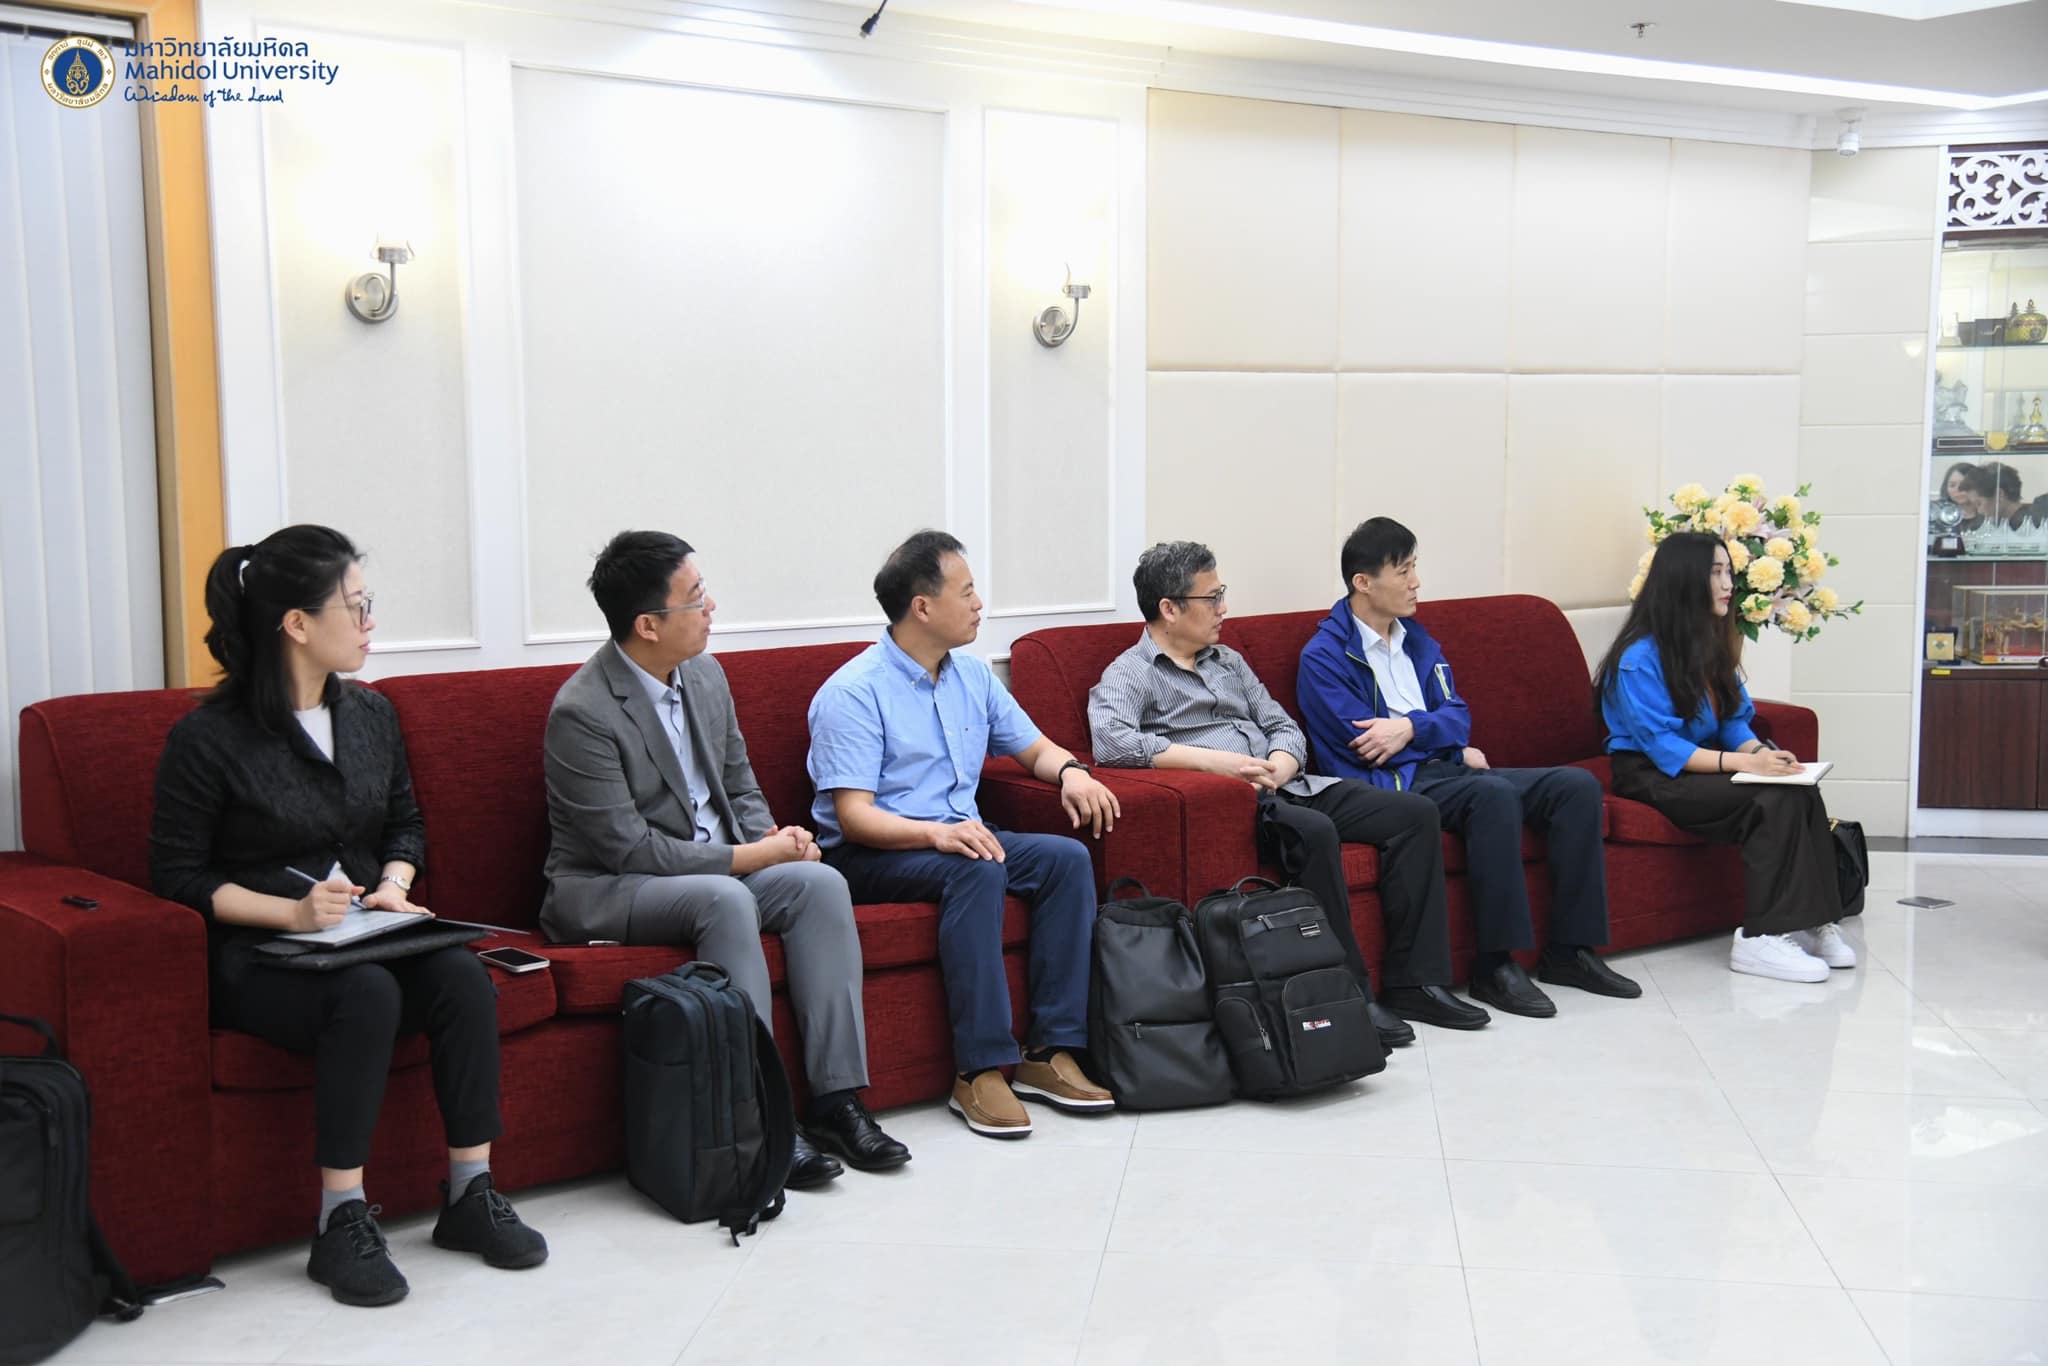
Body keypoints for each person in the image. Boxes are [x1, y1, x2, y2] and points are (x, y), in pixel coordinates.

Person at [150, 526, 546, 1309]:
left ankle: (471, 1193)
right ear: (297, 624)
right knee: (365, 995)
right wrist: (291, 913)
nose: (370, 622)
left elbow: (404, 824)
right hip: (262, 955)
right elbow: (178, 877)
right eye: (356, 606)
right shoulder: (207, 738)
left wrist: (394, 883)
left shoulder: (369, 715)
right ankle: (341, 1220)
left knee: (461, 976)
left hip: (366, 930)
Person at [540, 531, 909, 1184]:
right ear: (648, 624)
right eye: (696, 597)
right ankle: (761, 1118)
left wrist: (779, 843)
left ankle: (837, 1099)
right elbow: (628, 848)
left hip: (718, 866)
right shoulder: (583, 712)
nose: (711, 607)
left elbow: (739, 785)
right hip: (613, 886)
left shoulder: (705, 675)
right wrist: (751, 857)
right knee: (727, 898)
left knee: (819, 883)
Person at [1087, 540, 1487, 1046]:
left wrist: (1281, 762)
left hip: (1292, 784)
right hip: (1236, 805)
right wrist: (1213, 763)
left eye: (1222, 593)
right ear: (1169, 608)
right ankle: (1351, 995)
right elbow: (1112, 742)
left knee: (1414, 813)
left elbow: (1282, 725)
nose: (1224, 608)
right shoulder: (1131, 673)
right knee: (1314, 832)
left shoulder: (1228, 661)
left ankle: (1415, 983)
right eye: (1212, 598)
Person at [808, 531, 1121, 1140]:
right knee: (978, 867)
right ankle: (979, 1070)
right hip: (871, 854)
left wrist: (1072, 773)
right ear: (922, 607)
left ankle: (1049, 1051)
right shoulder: (852, 692)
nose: (980, 603)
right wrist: (935, 836)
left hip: (960, 838)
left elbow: (1034, 749)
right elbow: (854, 817)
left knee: (1064, 860)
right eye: (967, 591)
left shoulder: (972, 677)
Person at [1295, 518, 1641, 1016]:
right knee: (1490, 794)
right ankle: (1496, 965)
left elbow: (1458, 716)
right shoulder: (1324, 656)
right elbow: (1365, 747)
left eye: (1415, 568)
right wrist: (1446, 745)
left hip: (1442, 770)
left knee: (1575, 787)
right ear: (1363, 582)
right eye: (1403, 571)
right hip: (1393, 786)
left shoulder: (1418, 640)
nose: (1416, 582)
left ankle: (1571, 951)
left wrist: (1411, 729)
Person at [1596, 531, 1856, 983]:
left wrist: (1761, 753)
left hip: (1702, 763)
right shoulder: (1637, 659)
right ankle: (1760, 938)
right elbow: (1663, 747)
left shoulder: (1711, 645)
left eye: (1728, 572)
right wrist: (1746, 765)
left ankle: (1814, 920)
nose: (1728, 584)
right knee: (1770, 799)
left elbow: (1734, 721)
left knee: (1797, 788)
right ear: (1684, 580)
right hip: (1651, 773)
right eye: (1716, 573)